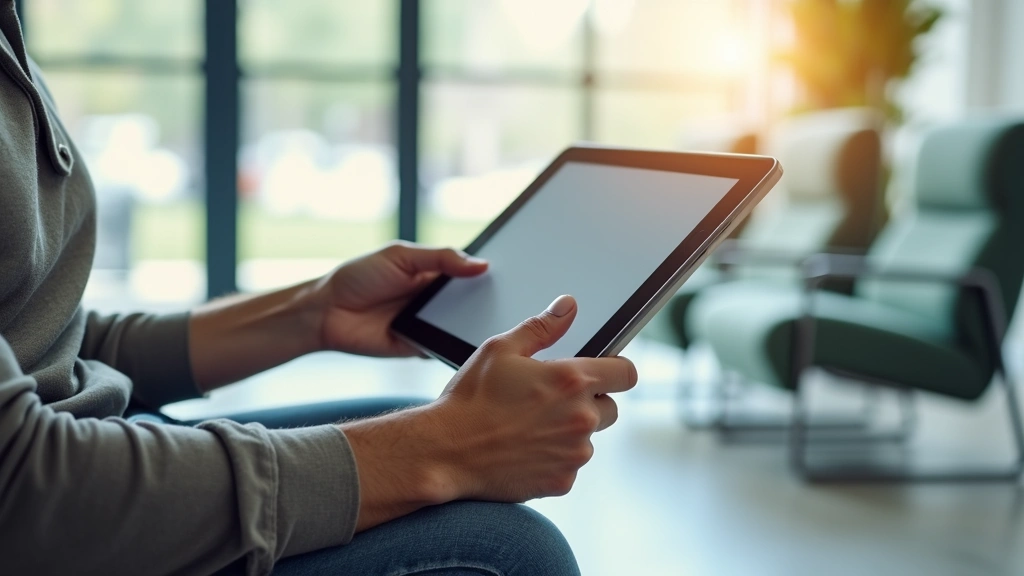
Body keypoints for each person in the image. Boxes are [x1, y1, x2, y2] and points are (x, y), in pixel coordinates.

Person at [0, 3, 637, 575]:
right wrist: (447, 447)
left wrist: (313, 312)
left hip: (88, 437)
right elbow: (21, 492)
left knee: (391, 425)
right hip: (57, 511)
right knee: (504, 551)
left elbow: (55, 339)